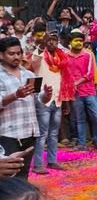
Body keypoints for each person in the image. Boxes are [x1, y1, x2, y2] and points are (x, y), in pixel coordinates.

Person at [29, 31, 73, 175]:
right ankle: (37, 164)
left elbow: (64, 82)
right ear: (45, 42)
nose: (52, 42)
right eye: (49, 40)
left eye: (55, 40)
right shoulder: (40, 56)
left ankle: (52, 161)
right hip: (43, 101)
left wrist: (65, 102)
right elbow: (32, 66)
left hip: (58, 100)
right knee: (42, 134)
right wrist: (42, 43)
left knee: (53, 133)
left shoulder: (61, 58)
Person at [0, 38, 40, 180]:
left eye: (19, 53)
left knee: (23, 174)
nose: (16, 57)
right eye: (11, 54)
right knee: (8, 176)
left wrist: (46, 95)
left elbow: (39, 101)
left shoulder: (28, 74)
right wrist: (16, 95)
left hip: (29, 131)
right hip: (8, 134)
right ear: (1, 55)